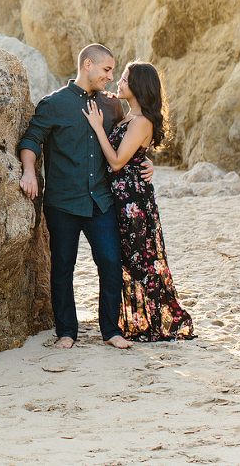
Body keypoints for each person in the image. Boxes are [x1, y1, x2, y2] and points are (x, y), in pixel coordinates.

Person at [18, 43, 151, 350]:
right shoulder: (54, 104)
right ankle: (66, 331)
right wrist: (28, 170)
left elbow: (126, 142)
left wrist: (146, 162)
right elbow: (31, 140)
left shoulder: (112, 106)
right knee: (63, 266)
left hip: (101, 200)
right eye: (107, 70)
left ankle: (111, 330)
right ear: (88, 65)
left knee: (109, 261)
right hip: (62, 202)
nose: (110, 77)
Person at [83, 60, 195, 342]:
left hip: (132, 201)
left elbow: (118, 161)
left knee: (139, 260)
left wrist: (97, 127)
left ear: (138, 87)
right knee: (125, 259)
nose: (118, 83)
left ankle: (148, 320)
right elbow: (131, 155)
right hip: (121, 198)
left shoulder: (142, 120)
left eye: (123, 79)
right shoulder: (128, 116)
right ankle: (128, 318)